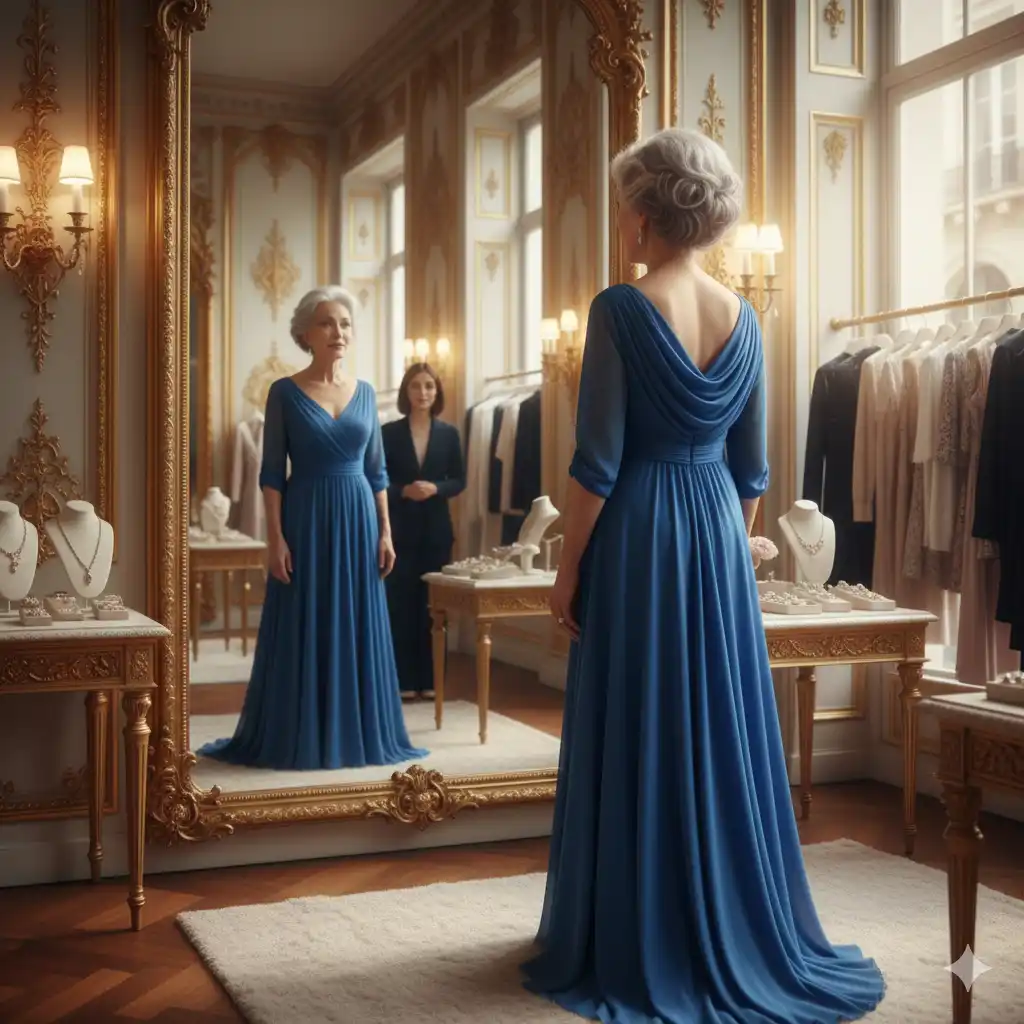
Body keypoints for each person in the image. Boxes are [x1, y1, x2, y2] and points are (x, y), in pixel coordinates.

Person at [521, 129, 885, 1022]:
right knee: (715, 721)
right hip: (718, 531)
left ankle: (639, 931)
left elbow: (597, 465)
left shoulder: (619, 309)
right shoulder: (746, 317)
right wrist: (724, 543)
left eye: (623, 205)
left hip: (640, 529)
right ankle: (725, 918)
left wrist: (567, 573)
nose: (621, 221)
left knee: (640, 716)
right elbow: (753, 471)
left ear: (647, 211)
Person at [198, 286, 427, 771]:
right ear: (305, 333)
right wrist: (274, 537)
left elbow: (377, 473)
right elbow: (270, 474)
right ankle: (299, 731)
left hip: (358, 519)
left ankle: (357, 733)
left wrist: (385, 531)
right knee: (304, 618)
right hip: (304, 519)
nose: (338, 332)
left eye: (344, 323)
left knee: (356, 619)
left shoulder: (366, 393)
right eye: (327, 323)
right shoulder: (284, 392)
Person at [381, 363, 465, 700]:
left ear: (437, 392)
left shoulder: (449, 434)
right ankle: (401, 681)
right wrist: (402, 491)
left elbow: (459, 480)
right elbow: (376, 479)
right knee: (400, 605)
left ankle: (432, 681)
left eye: (429, 386)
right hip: (398, 530)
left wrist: (436, 488)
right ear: (406, 392)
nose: (423, 392)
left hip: (436, 531)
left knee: (434, 607)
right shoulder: (388, 433)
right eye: (416, 386)